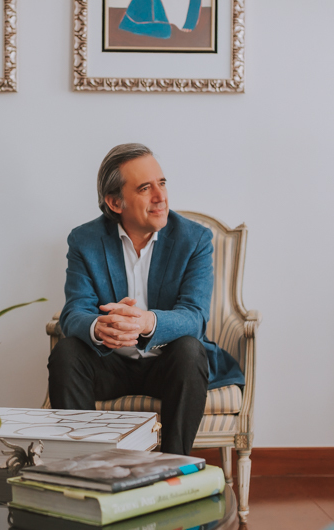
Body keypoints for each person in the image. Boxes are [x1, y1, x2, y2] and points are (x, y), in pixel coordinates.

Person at [48, 144, 244, 455]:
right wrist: (100, 327)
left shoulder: (194, 239)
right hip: (109, 364)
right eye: (145, 188)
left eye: (161, 183)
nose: (160, 196)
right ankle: (88, 466)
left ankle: (172, 467)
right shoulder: (85, 240)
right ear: (115, 202)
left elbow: (194, 316)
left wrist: (147, 322)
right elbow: (74, 312)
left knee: (190, 350)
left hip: (169, 366)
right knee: (66, 352)